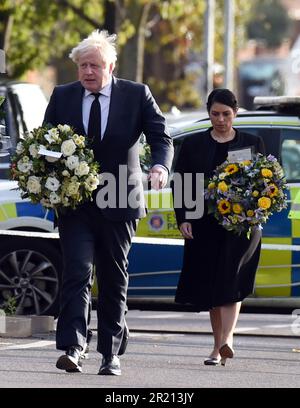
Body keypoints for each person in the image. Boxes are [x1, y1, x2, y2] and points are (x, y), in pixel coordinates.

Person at [44, 30, 174, 375]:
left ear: (111, 66)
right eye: (82, 66)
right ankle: (74, 346)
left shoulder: (136, 94)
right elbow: (44, 143)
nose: (88, 72)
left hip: (120, 196)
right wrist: (43, 174)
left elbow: (162, 136)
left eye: (95, 66)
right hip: (75, 202)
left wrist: (160, 166)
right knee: (77, 271)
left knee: (114, 276)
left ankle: (110, 353)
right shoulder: (62, 96)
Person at [172, 88, 265, 366]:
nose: (221, 119)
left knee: (232, 280)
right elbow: (182, 183)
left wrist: (259, 210)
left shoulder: (252, 142)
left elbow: (264, 182)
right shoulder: (193, 145)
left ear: (235, 113)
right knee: (213, 285)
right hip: (205, 223)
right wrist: (183, 218)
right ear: (208, 112)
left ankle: (226, 340)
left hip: (242, 224)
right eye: (215, 114)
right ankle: (218, 345)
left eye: (226, 114)